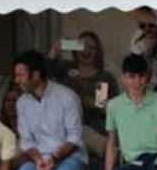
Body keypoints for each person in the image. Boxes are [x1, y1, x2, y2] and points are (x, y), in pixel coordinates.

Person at [47, 31, 115, 159]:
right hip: (63, 124)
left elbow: (102, 107)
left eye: (92, 48)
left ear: (97, 52)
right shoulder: (65, 68)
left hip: (92, 126)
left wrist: (85, 101)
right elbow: (43, 73)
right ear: (75, 48)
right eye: (82, 46)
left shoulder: (102, 77)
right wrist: (56, 49)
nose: (86, 51)